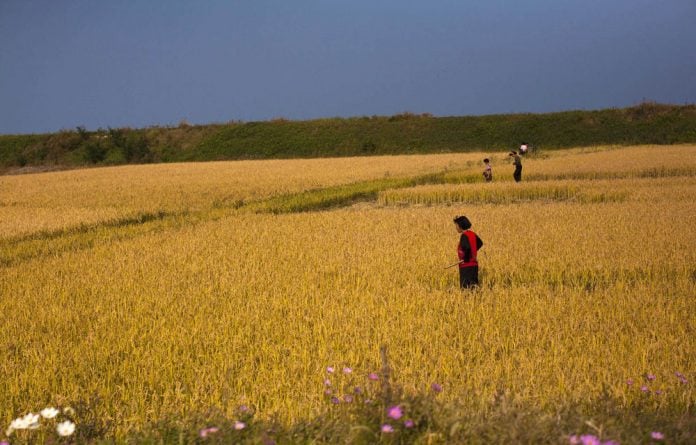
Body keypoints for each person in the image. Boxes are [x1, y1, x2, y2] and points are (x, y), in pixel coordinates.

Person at [453, 215, 484, 289]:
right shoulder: (472, 234)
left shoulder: (464, 236)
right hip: (474, 266)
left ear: (460, 226)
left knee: (465, 289)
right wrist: (473, 252)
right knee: (473, 288)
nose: (456, 228)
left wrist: (466, 258)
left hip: (466, 266)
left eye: (456, 225)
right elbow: (480, 243)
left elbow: (467, 247)